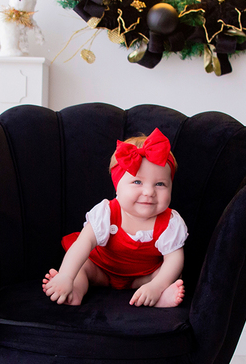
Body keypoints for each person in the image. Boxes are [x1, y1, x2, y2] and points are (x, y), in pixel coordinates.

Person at [42, 128, 186, 307]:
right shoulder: (107, 213)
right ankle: (75, 288)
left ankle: (158, 295)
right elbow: (82, 243)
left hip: (141, 278)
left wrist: (156, 285)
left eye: (160, 184)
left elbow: (174, 259)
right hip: (100, 270)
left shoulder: (170, 223)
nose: (149, 192)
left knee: (170, 273)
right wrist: (66, 274)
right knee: (82, 266)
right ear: (117, 186)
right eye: (137, 182)